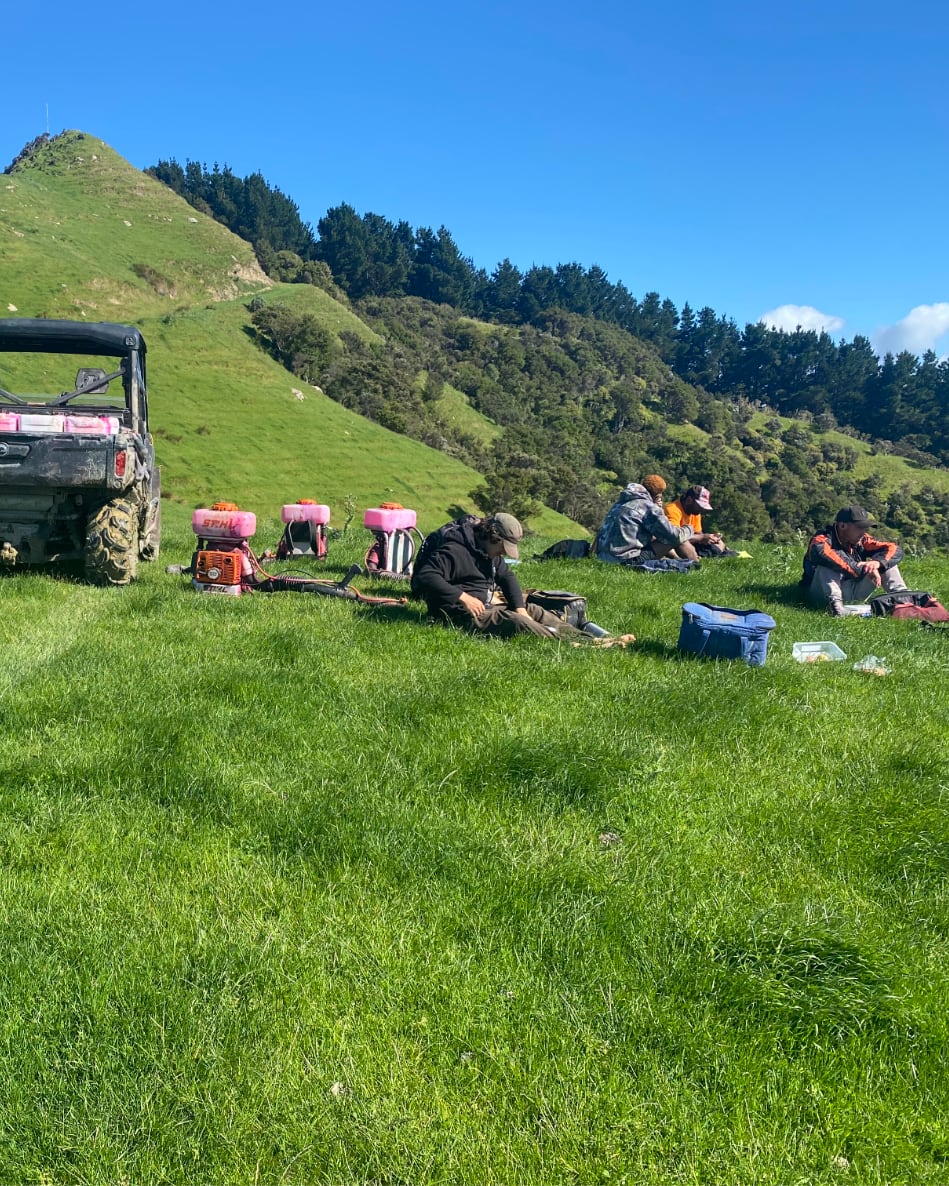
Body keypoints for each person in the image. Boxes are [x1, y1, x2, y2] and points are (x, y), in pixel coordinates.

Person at [412, 512, 633, 643]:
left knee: (531, 611)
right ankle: (574, 645)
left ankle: (585, 639)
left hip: (486, 606)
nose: (503, 553)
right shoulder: (455, 549)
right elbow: (425, 575)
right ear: (493, 536)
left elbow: (507, 577)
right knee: (516, 622)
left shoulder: (488, 552)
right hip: (458, 614)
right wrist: (462, 597)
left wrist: (519, 607)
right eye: (503, 547)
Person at [801, 506, 908, 615]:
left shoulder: (861, 540)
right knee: (827, 566)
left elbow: (893, 548)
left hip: (852, 591)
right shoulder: (821, 541)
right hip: (821, 594)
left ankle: (904, 600)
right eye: (859, 528)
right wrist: (864, 568)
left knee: (886, 562)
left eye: (865, 528)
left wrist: (878, 563)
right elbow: (834, 559)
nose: (863, 532)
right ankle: (836, 609)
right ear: (843, 526)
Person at [595, 475, 696, 567]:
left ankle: (683, 560)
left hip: (602, 556)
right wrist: (689, 529)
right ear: (658, 495)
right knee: (676, 537)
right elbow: (674, 536)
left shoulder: (621, 502)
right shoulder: (649, 507)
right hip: (625, 560)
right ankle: (695, 563)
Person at [664, 485, 735, 558]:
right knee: (716, 549)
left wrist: (710, 538)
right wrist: (702, 537)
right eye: (699, 506)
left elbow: (698, 533)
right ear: (689, 500)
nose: (702, 509)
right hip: (676, 545)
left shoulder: (695, 512)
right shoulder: (672, 510)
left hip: (691, 542)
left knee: (719, 543)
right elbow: (674, 537)